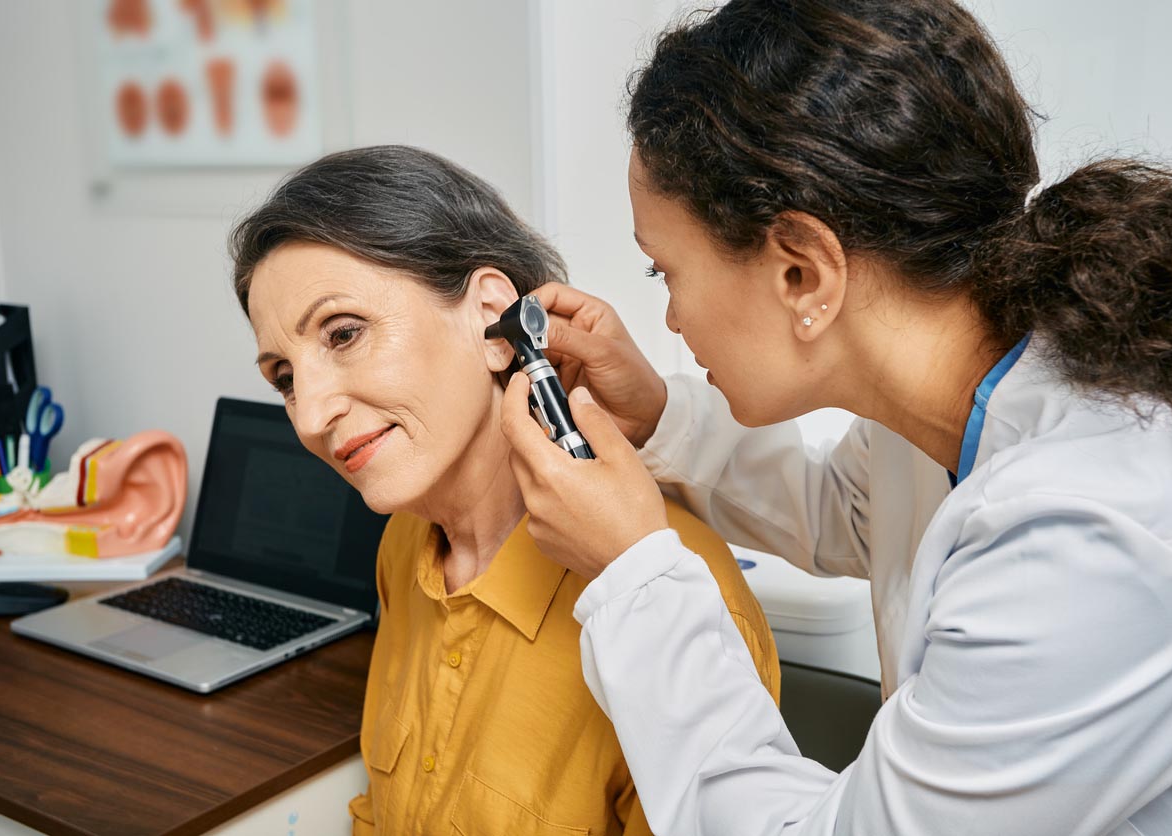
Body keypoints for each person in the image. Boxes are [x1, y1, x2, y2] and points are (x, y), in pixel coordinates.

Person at [498, 1, 1172, 834]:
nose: (671, 319)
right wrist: (657, 417)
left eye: (663, 271)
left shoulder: (1098, 535)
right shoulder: (963, 399)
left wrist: (634, 572)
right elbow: (850, 512)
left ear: (802, 273)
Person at [227, 145, 780, 835]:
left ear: (492, 319)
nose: (309, 416)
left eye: (344, 333)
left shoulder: (675, 599)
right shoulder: (405, 544)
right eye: (283, 376)